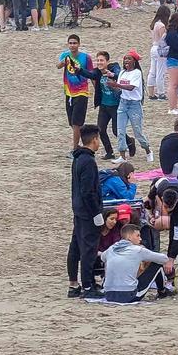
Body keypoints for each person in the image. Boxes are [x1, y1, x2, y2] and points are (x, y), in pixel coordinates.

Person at [69, 124, 105, 297]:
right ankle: (88, 286)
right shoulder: (88, 161)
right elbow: (88, 191)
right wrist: (96, 213)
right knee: (88, 249)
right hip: (87, 212)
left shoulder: (78, 158)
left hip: (78, 209)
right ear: (95, 139)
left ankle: (74, 284)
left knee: (76, 246)